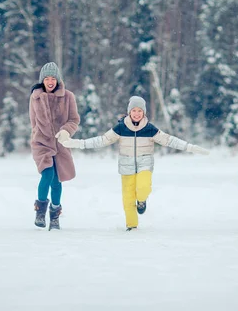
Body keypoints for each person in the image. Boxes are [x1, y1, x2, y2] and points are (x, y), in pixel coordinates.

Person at [58, 95, 209, 231]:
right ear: (129, 112)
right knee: (128, 198)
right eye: (134, 110)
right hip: (126, 166)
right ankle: (132, 226)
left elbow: (169, 140)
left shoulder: (150, 129)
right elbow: (102, 140)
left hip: (145, 163)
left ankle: (142, 201)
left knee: (143, 188)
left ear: (144, 113)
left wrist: (190, 147)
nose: (137, 113)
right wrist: (78, 143)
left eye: (140, 111)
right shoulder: (121, 127)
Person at [29, 62, 80, 230]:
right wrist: (37, 134)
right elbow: (33, 122)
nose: (50, 82)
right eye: (46, 78)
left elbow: (74, 120)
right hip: (41, 143)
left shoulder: (68, 97)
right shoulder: (35, 97)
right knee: (47, 174)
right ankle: (40, 211)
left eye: (53, 78)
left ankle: (55, 214)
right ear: (42, 80)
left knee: (57, 180)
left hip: (60, 142)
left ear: (58, 80)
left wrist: (66, 131)